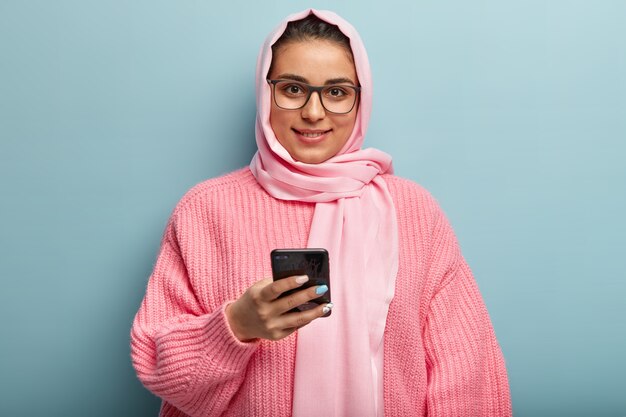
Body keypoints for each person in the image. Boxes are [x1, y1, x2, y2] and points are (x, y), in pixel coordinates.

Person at [130, 8, 512, 417]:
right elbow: (160, 368)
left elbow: (467, 373)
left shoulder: (414, 212)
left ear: (360, 100)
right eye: (293, 89)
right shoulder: (205, 211)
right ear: (265, 92)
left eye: (336, 92)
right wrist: (237, 326)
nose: (314, 112)